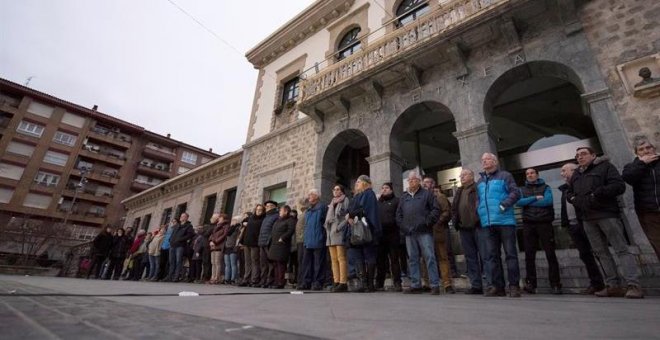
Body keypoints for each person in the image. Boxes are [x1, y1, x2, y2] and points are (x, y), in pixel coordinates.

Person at [568, 147, 643, 298]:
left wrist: (597, 194)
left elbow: (619, 186)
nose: (580, 157)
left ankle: (633, 285)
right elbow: (570, 192)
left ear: (593, 155)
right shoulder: (577, 173)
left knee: (621, 249)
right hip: (588, 218)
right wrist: (574, 199)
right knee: (601, 252)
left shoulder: (606, 167)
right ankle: (613, 285)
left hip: (606, 214)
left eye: (583, 154)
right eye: (577, 156)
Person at [477, 152, 521, 297]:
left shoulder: (505, 176)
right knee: (491, 256)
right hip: (488, 223)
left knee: (510, 254)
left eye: (487, 159)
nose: (484, 162)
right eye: (482, 160)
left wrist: (504, 205)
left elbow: (515, 193)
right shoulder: (481, 181)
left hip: (505, 221)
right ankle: (498, 287)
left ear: (495, 161)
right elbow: (478, 199)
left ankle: (514, 286)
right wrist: (479, 210)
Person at [559, 163, 605, 294]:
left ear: (574, 171)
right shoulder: (565, 189)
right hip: (573, 226)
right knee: (585, 255)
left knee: (599, 252)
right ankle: (596, 283)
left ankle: (609, 283)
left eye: (564, 171)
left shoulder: (582, 184)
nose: (562, 174)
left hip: (586, 222)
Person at [516, 167, 562, 294]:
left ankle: (556, 284)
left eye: (532, 173)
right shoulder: (522, 189)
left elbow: (547, 201)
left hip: (544, 223)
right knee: (529, 255)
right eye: (527, 174)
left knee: (550, 254)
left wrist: (528, 202)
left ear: (537, 174)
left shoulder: (546, 187)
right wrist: (535, 198)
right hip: (528, 224)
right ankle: (531, 284)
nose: (530, 175)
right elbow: (519, 202)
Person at [396, 171, 441, 295]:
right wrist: (403, 227)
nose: (411, 181)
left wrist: (426, 223)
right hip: (409, 233)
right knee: (413, 259)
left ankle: (434, 284)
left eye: (414, 179)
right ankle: (416, 285)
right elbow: (398, 215)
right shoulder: (404, 197)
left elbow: (436, 210)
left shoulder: (427, 194)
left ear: (419, 181)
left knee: (430, 257)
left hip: (424, 231)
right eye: (409, 180)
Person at [622, 136, 660, 258]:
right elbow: (628, 177)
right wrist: (642, 163)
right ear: (637, 153)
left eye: (648, 147)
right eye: (641, 149)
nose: (646, 151)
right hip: (648, 213)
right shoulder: (632, 166)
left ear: (654, 149)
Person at [452, 168, 487, 294]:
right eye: (460, 176)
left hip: (478, 226)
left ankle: (489, 284)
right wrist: (456, 221)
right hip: (464, 228)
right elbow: (454, 208)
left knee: (485, 256)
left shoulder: (478, 188)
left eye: (464, 175)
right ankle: (476, 285)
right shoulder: (459, 191)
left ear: (472, 176)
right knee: (470, 257)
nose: (461, 177)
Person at [346, 175, 382, 293]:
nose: (356, 183)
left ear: (366, 183)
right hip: (358, 231)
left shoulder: (369, 194)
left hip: (368, 230)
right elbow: (352, 210)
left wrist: (352, 215)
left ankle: (370, 284)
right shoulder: (357, 196)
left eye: (358, 181)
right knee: (359, 256)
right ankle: (364, 283)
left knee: (369, 256)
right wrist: (349, 215)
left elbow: (365, 210)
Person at [422, 176, 455, 294]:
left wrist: (437, 221)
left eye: (428, 182)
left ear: (433, 185)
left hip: (438, 232)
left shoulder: (440, 197)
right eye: (424, 183)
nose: (426, 184)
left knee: (442, 258)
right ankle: (426, 283)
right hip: (425, 232)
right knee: (426, 259)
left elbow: (447, 212)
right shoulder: (421, 198)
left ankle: (447, 284)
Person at [376, 182, 403, 292]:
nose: (384, 190)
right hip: (381, 235)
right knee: (381, 261)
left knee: (394, 260)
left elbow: (400, 215)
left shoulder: (397, 201)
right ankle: (379, 283)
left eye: (386, 188)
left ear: (391, 190)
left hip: (393, 234)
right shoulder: (378, 202)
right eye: (382, 188)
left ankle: (397, 282)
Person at [300, 189, 328, 290]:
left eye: (311, 194)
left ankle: (317, 283)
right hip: (308, 240)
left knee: (318, 263)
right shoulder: (308, 210)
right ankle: (306, 282)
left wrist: (322, 236)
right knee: (307, 263)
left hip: (318, 239)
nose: (309, 196)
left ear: (317, 196)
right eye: (309, 194)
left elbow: (326, 223)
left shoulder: (322, 207)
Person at [324, 184, 350, 292]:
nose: (335, 191)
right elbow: (328, 218)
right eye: (334, 189)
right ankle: (336, 281)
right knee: (333, 259)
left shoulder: (345, 200)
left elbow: (348, 216)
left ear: (342, 191)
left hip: (339, 232)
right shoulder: (332, 202)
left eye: (338, 189)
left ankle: (343, 282)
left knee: (341, 258)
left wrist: (339, 227)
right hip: (330, 233)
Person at [268, 205, 296, 288]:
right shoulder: (278, 220)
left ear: (286, 211)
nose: (279, 212)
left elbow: (290, 230)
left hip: (282, 245)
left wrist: (283, 237)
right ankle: (276, 281)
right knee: (275, 264)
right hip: (274, 244)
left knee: (281, 264)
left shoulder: (290, 220)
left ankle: (281, 282)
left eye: (281, 211)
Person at [239, 205, 264, 286]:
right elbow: (243, 222)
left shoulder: (262, 219)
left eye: (260, 210)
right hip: (247, 242)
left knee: (255, 261)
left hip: (255, 243)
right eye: (257, 209)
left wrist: (247, 224)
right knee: (247, 262)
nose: (258, 211)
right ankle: (246, 279)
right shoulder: (251, 218)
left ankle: (254, 279)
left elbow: (257, 228)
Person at [166, 212, 194, 282]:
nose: (181, 217)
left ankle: (176, 277)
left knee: (178, 261)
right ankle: (170, 276)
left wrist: (180, 239)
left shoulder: (189, 226)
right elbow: (173, 234)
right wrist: (170, 240)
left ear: (186, 218)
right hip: (172, 245)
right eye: (181, 216)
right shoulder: (177, 225)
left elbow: (190, 235)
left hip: (180, 246)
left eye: (183, 216)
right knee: (171, 261)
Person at [258, 200, 280, 288]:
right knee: (263, 263)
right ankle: (263, 280)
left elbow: (273, 230)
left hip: (269, 242)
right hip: (262, 242)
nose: (266, 208)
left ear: (273, 207)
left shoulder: (276, 216)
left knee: (271, 263)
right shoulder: (266, 217)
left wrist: (269, 240)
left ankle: (270, 280)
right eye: (266, 206)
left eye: (268, 206)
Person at [209, 214, 229, 284]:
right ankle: (213, 276)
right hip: (213, 246)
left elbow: (224, 235)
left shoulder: (225, 226)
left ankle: (217, 278)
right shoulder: (217, 225)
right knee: (213, 262)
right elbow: (212, 235)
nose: (219, 218)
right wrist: (211, 241)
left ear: (223, 218)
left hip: (219, 246)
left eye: (220, 217)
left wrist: (215, 242)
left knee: (217, 262)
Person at [294, 199, 309, 286]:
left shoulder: (306, 214)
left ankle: (303, 281)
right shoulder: (302, 214)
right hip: (300, 240)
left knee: (303, 261)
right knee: (300, 261)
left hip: (303, 240)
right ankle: (300, 280)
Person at [224, 217, 241, 284]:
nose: (232, 221)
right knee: (227, 264)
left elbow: (237, 237)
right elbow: (227, 233)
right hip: (227, 247)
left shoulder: (237, 228)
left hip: (233, 247)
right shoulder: (230, 228)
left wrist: (236, 246)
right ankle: (226, 278)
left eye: (234, 220)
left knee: (233, 264)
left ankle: (233, 279)